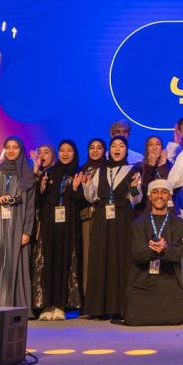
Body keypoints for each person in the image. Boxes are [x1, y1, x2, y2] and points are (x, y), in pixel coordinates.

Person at [82, 136, 142, 320]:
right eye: (114, 145)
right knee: (100, 257)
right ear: (109, 150)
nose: (117, 148)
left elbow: (136, 200)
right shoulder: (100, 170)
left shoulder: (132, 170)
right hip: (102, 218)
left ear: (126, 150)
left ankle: (119, 307)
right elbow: (91, 197)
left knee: (120, 258)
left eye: (121, 146)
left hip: (122, 217)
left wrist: (134, 188)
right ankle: (98, 307)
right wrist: (86, 185)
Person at [0, 136, 36, 307]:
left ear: (21, 150)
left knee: (14, 262)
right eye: (8, 147)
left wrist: (27, 231)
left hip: (17, 223)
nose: (11, 150)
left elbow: (31, 206)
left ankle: (13, 304)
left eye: (15, 147)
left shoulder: (27, 175)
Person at [123, 180, 183, 326]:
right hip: (143, 281)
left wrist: (165, 248)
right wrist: (155, 249)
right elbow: (137, 255)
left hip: (169, 281)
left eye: (164, 192)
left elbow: (177, 254)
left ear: (169, 196)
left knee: (176, 318)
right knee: (134, 318)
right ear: (149, 196)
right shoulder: (138, 223)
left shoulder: (179, 223)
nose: (159, 196)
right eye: (155, 192)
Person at [33, 139, 83, 320]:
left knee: (64, 261)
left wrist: (75, 188)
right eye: (62, 150)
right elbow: (39, 201)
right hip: (49, 222)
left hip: (69, 222)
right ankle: (47, 306)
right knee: (48, 261)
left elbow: (82, 201)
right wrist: (41, 188)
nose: (65, 153)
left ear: (74, 153)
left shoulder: (79, 172)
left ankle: (61, 306)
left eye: (69, 150)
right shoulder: (49, 173)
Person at [77, 138, 106, 294]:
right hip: (86, 217)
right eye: (92, 147)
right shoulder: (82, 170)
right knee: (86, 254)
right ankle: (87, 293)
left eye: (99, 147)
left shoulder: (108, 169)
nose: (95, 150)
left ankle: (102, 292)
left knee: (102, 254)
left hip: (103, 217)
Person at [133, 135, 175, 216]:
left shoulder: (170, 166)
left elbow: (169, 186)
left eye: (158, 144)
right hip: (145, 212)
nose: (154, 147)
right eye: (151, 145)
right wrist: (150, 166)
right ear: (147, 148)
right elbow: (143, 188)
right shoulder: (138, 166)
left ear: (162, 148)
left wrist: (163, 165)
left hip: (166, 211)